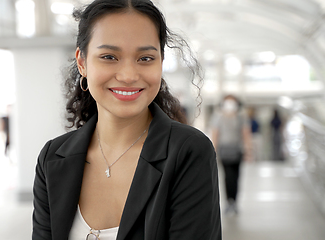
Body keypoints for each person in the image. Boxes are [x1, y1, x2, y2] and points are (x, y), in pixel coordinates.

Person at [32, 0, 222, 239]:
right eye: (109, 56)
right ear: (82, 62)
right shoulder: (53, 157)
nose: (129, 75)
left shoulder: (187, 152)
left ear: (161, 62)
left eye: (145, 58)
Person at [211, 95, 252, 215]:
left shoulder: (241, 117)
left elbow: (245, 133)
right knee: (228, 177)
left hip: (237, 150)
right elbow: (215, 133)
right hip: (224, 150)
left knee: (236, 176)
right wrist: (213, 150)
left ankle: (234, 201)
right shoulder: (218, 117)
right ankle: (229, 201)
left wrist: (248, 149)